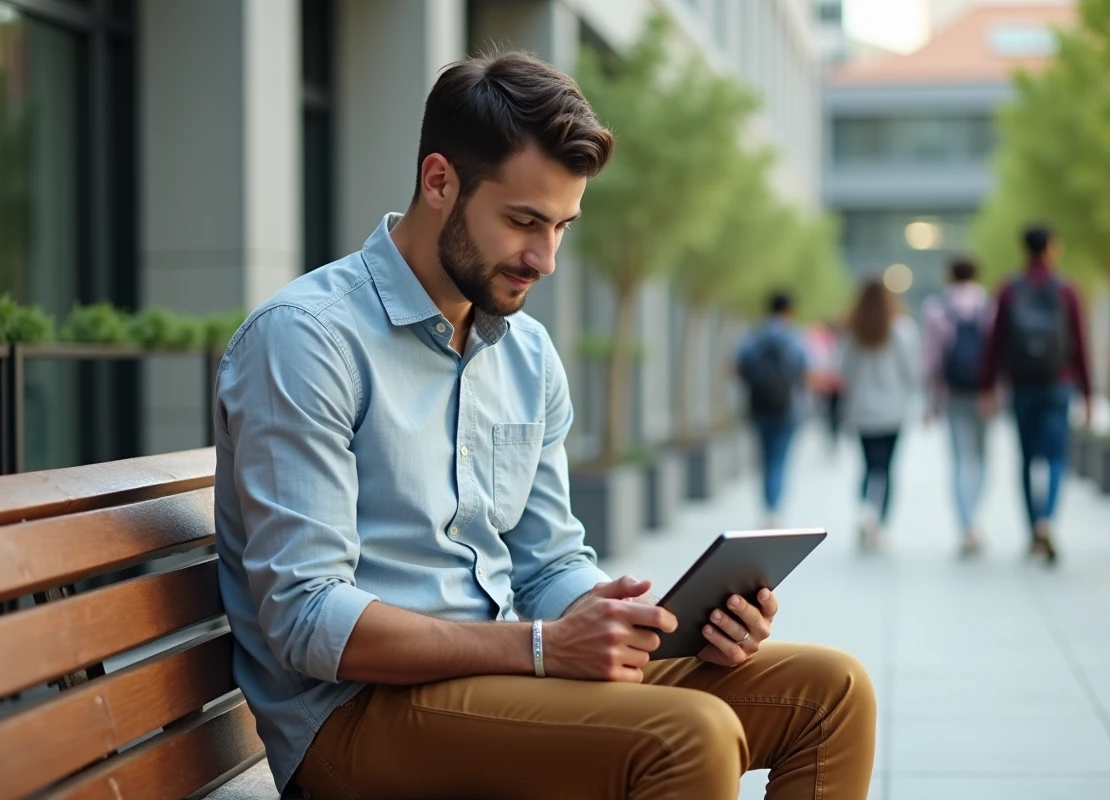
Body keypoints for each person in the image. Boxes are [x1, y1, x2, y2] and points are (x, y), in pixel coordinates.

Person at [213, 51, 875, 800]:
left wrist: (627, 619)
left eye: (562, 226)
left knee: (832, 692)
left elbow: (548, 563)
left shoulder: (524, 352)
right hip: (354, 719)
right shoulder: (306, 341)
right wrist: (539, 647)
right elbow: (306, 619)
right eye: (524, 221)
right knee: (690, 734)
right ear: (439, 182)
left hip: (503, 680)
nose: (546, 258)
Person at [981, 224, 1093, 565]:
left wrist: (988, 386)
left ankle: (1033, 530)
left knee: (1027, 459)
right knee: (1056, 457)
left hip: (1021, 384)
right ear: (1051, 248)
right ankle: (1047, 521)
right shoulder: (1066, 289)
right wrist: (1088, 392)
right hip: (1058, 383)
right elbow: (1080, 344)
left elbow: (995, 342)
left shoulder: (1009, 288)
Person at [841, 276, 921, 549]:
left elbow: (844, 370)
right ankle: (881, 524)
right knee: (887, 468)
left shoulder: (853, 330)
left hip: (862, 410)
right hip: (893, 410)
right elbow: (912, 371)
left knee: (867, 466)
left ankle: (866, 511)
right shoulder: (902, 329)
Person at [922, 256, 992, 556]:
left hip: (951, 394)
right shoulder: (989, 307)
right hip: (984, 394)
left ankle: (966, 526)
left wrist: (931, 399)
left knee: (960, 460)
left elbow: (931, 359)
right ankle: (973, 519)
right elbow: (996, 354)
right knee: (981, 459)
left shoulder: (937, 309)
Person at [736, 292, 809, 528]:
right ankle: (774, 509)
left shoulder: (755, 335)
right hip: (788, 409)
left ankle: (767, 508)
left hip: (759, 407)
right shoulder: (793, 336)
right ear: (789, 310)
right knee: (779, 459)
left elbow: (737, 365)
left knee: (765, 459)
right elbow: (806, 370)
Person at [807, 318, 847, 454]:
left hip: (830, 384)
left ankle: (832, 433)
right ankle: (833, 434)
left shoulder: (826, 342)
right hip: (834, 384)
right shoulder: (836, 342)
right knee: (833, 412)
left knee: (830, 412)